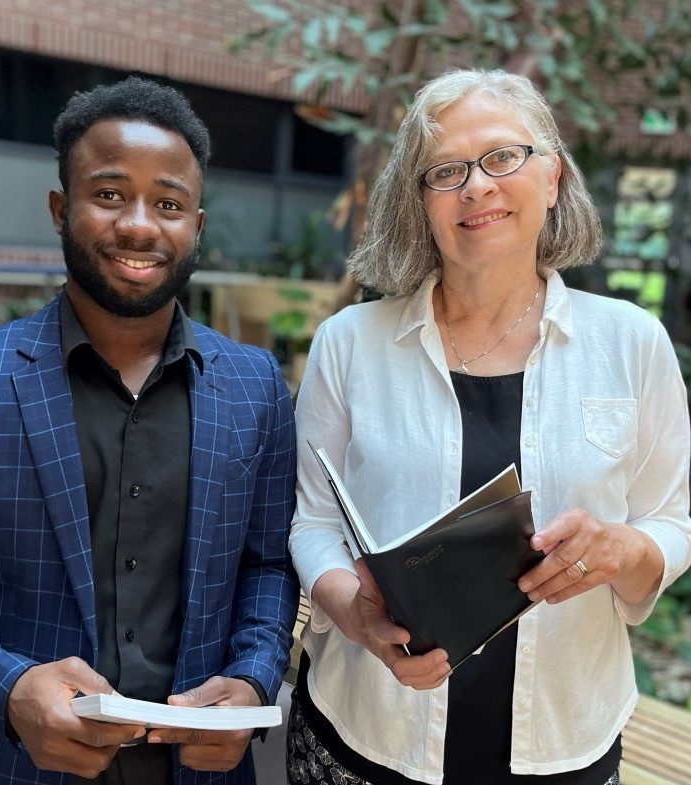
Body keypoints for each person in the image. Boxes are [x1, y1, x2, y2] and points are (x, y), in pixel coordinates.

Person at [288, 69, 691, 785]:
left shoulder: (631, 342)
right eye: (445, 171)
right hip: (368, 738)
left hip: (564, 742)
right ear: (419, 202)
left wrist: (623, 548)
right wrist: (352, 613)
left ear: (552, 177)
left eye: (503, 157)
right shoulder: (350, 342)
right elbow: (311, 520)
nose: (476, 186)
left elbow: (673, 518)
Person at [0, 76, 299, 785]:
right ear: (61, 208)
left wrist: (253, 679)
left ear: (196, 225)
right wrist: (8, 688)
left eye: (168, 202)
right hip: (15, 767)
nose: (140, 225)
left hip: (200, 771)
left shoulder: (256, 385)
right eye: (110, 193)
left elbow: (267, 565)